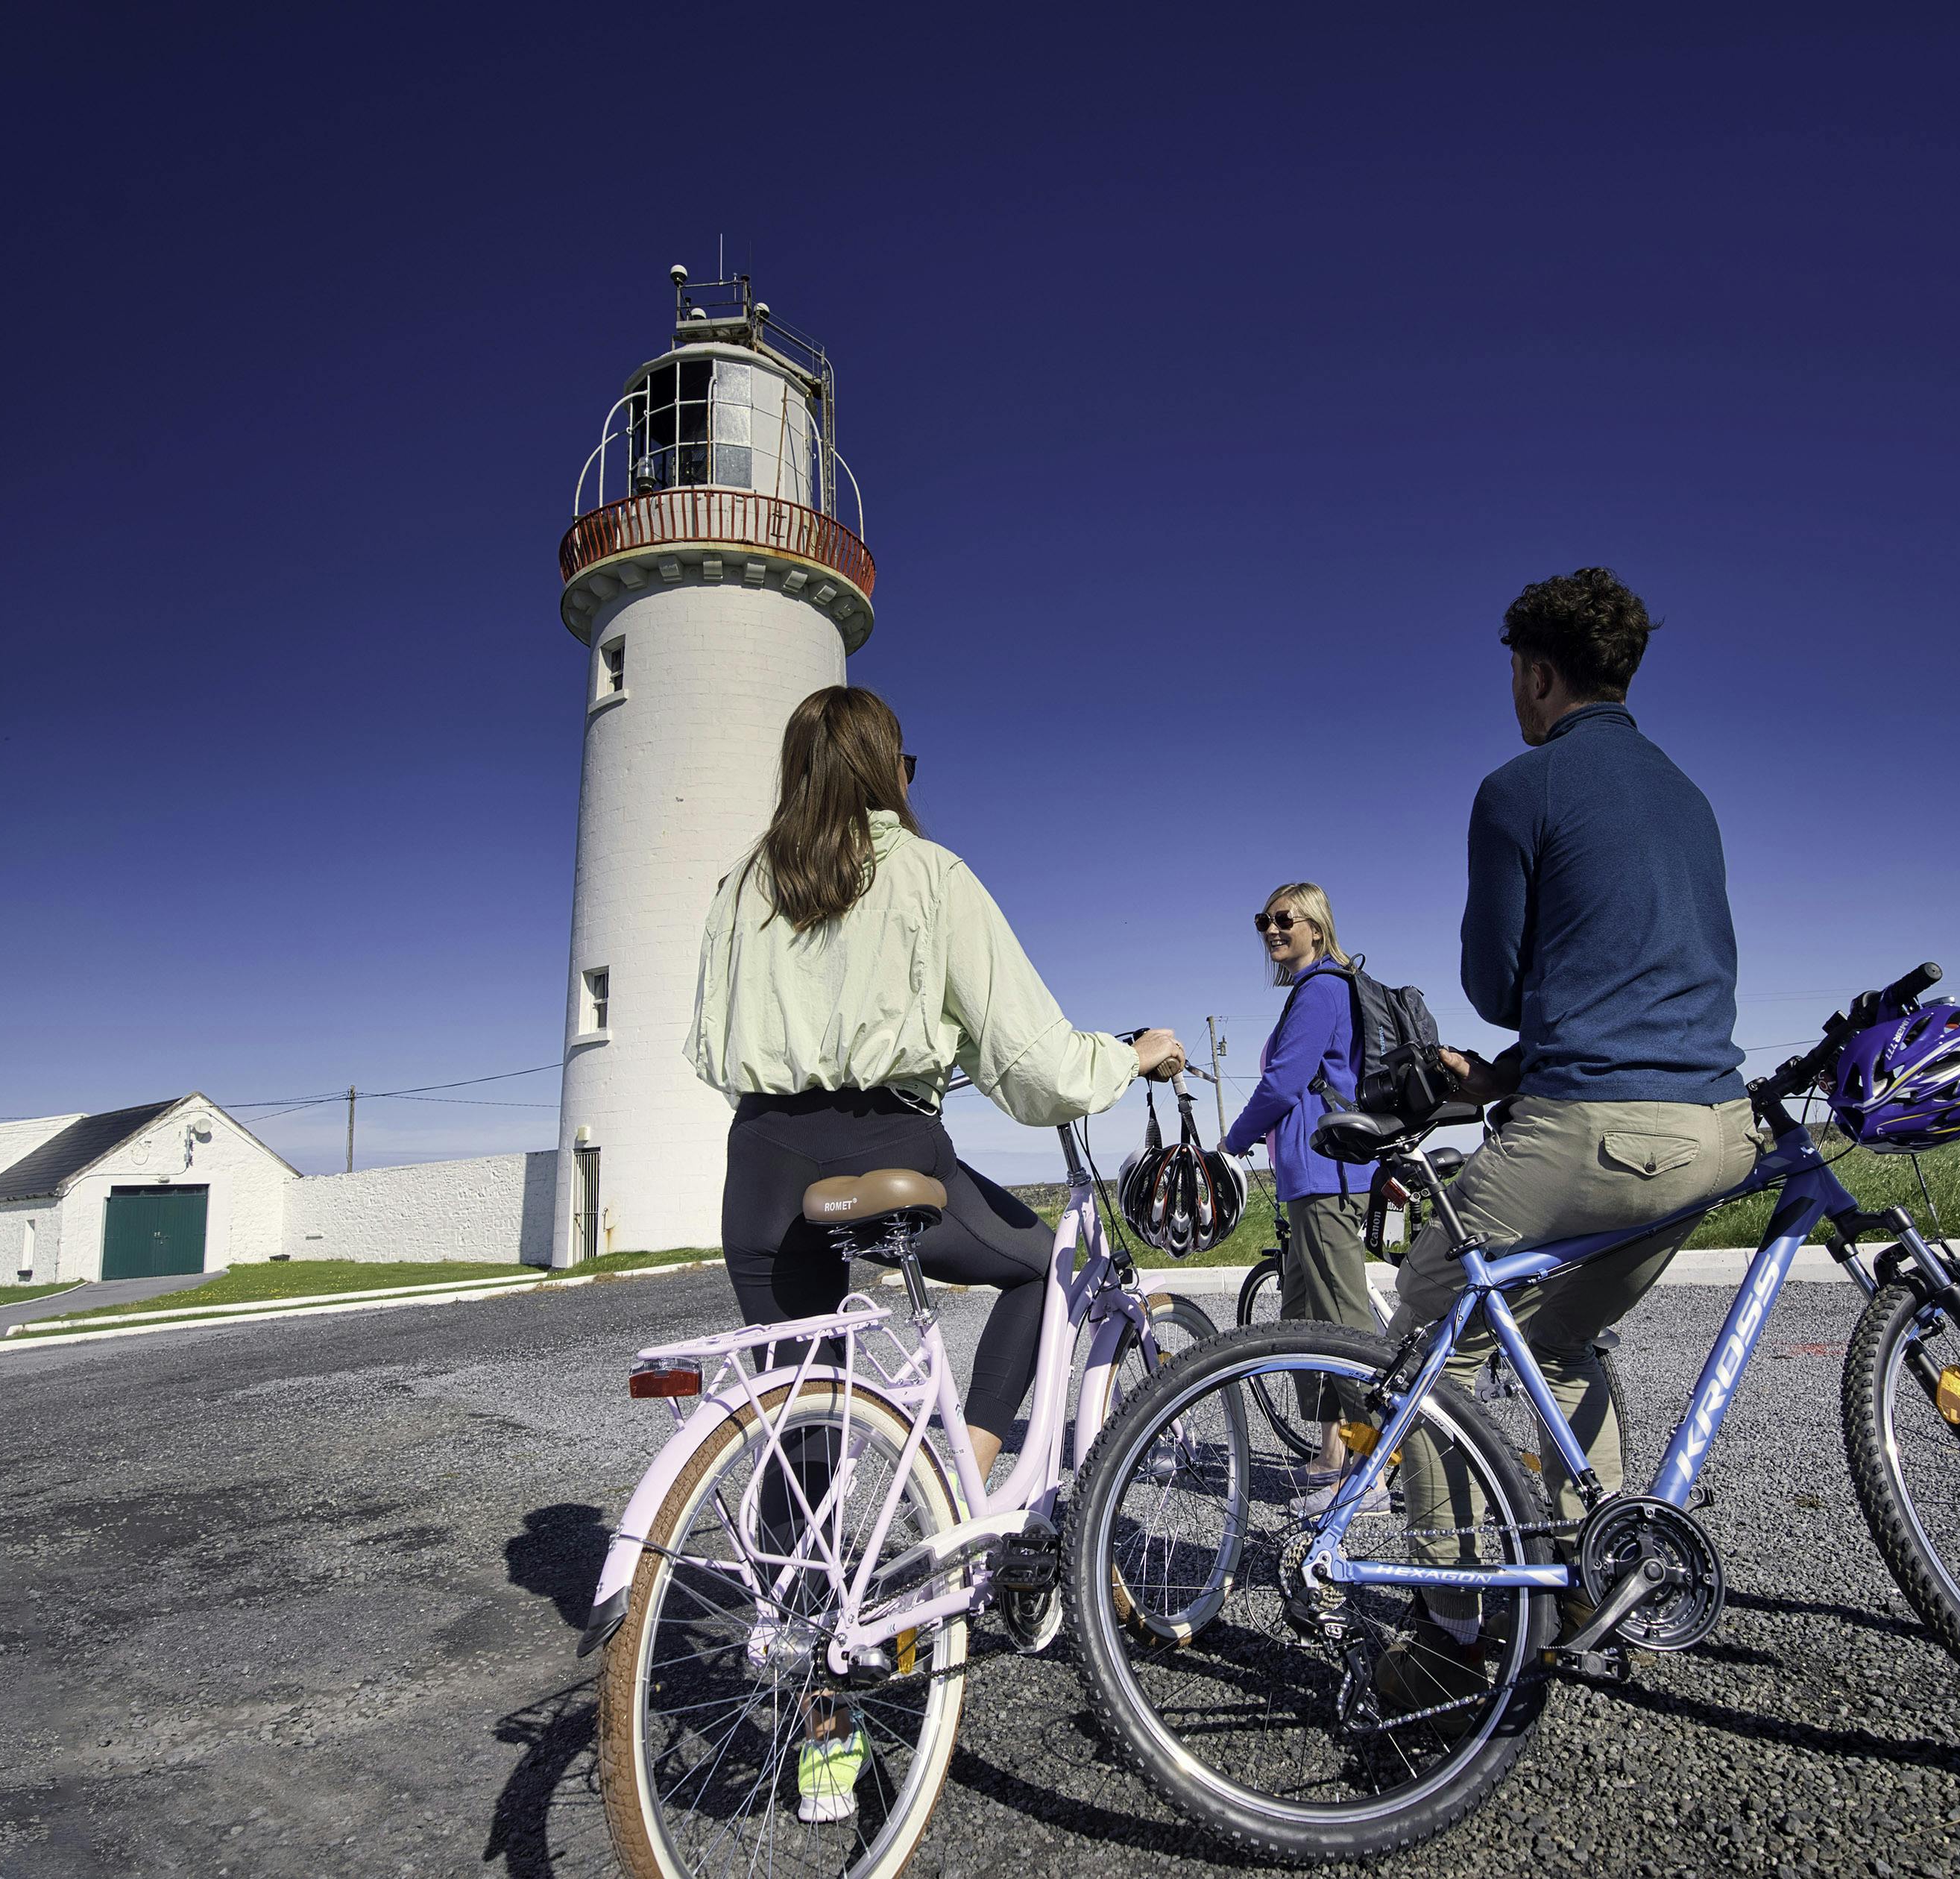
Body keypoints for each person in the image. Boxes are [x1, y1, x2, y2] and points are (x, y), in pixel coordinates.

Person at [1378, 567, 1772, 1702]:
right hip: (1714, 1131)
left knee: (1428, 1323)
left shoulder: (1519, 788)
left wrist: (1512, 1049)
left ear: (1536, 674)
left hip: (1593, 1135)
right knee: (1554, 1340)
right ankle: (1587, 1568)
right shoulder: (1688, 795)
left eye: (1513, 673)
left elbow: (1495, 982)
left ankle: (1455, 1614)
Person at [689, 684, 1186, 1487]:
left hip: (759, 1163)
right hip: (884, 1144)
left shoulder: (738, 889)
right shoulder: (929, 875)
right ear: (889, 773)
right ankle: (961, 1490)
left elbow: (716, 1048)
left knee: (802, 1408)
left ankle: (797, 1604)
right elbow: (1035, 1064)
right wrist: (1126, 1058)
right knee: (1043, 1267)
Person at [1217, 883, 1382, 1492]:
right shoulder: (1316, 990)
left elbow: (1285, 1082)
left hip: (1328, 1176)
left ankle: (1374, 1465)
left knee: (1342, 1324)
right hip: (1309, 1177)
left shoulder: (1323, 990)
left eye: (1284, 918)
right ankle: (1335, 1454)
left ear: (1316, 925)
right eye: (1263, 920)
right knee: (1306, 1319)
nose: (1271, 929)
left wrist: (1233, 1141)